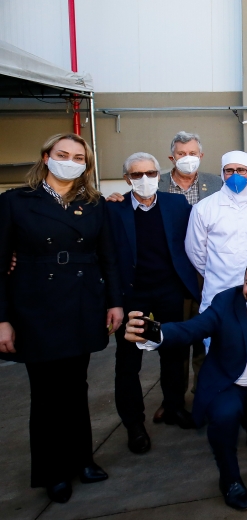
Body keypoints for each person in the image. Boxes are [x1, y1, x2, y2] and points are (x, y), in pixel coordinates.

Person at [124, 256, 247, 511]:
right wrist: (152, 333)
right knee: (225, 417)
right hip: (228, 384)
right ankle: (230, 480)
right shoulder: (225, 302)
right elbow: (192, 329)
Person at [0, 133, 123, 503]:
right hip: (36, 308)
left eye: (78, 157)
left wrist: (114, 303)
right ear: (46, 157)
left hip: (83, 304)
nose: (70, 161)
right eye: (62, 154)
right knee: (46, 394)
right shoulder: (16, 202)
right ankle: (52, 472)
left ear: (86, 165)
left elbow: (108, 257)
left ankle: (82, 459)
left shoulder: (94, 204)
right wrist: (2, 319)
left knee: (76, 387)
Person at [108, 153, 200, 455]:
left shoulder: (176, 205)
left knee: (174, 354)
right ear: (126, 179)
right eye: (136, 175)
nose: (144, 179)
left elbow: (201, 229)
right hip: (132, 296)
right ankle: (134, 425)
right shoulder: (113, 209)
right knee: (129, 362)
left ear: (159, 175)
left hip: (169, 291)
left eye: (150, 173)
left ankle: (174, 407)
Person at [185, 151, 247, 316]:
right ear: (222, 173)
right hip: (217, 288)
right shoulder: (204, 208)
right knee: (216, 329)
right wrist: (215, 271)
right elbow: (195, 250)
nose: (235, 175)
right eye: (229, 170)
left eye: (241, 170)